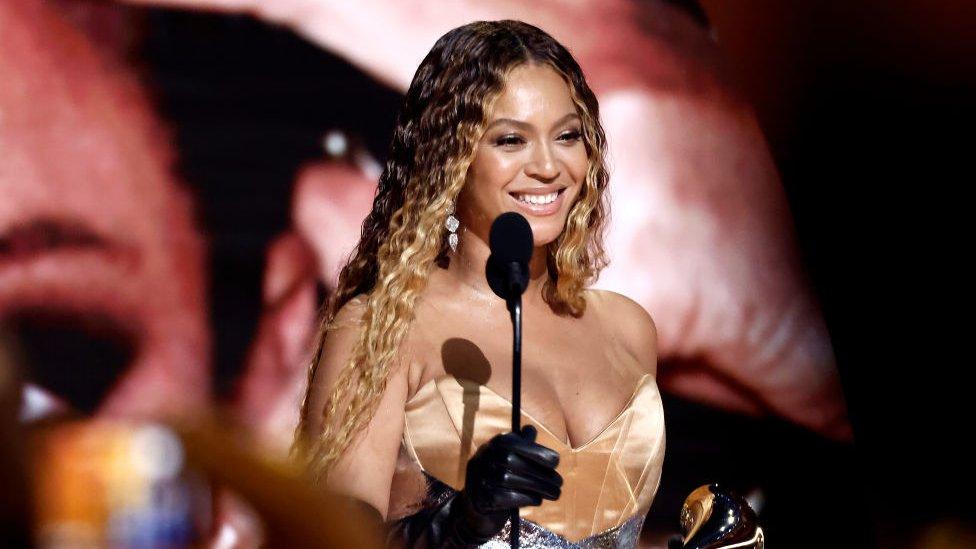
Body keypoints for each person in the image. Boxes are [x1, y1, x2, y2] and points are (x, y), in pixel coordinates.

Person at [296, 20, 664, 547]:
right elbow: (326, 538)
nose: (547, 166)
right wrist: (457, 523)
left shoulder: (629, 329)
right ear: (451, 162)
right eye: (510, 140)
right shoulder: (382, 328)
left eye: (567, 135)